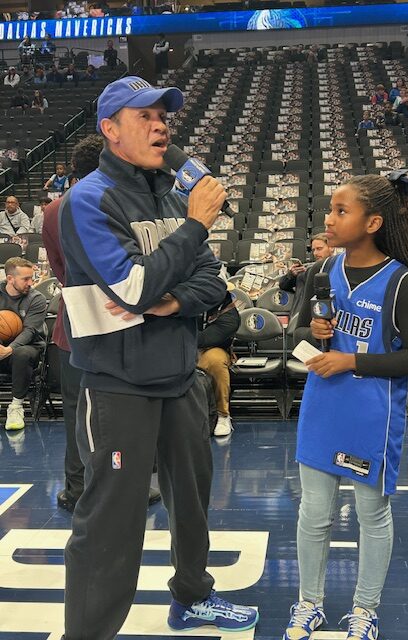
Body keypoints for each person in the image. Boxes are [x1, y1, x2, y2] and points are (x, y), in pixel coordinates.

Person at [57, 76, 259, 639]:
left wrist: (168, 302)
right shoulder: (88, 201)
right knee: (110, 523)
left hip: (179, 373)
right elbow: (131, 288)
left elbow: (211, 281)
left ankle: (193, 597)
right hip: (118, 383)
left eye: (163, 114)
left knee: (192, 500)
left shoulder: (170, 193)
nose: (160, 124)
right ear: (110, 131)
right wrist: (194, 227)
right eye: (143, 115)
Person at [284, 172, 408, 640]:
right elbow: (298, 332)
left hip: (373, 414)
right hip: (322, 407)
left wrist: (351, 358)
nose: (328, 219)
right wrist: (314, 335)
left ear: (373, 222)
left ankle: (365, 609)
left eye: (340, 212)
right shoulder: (321, 272)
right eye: (330, 209)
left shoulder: (401, 281)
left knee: (372, 516)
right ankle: (309, 602)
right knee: (314, 513)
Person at [42, 134, 161, 512]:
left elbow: (61, 272)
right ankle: (130, 489)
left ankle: (76, 489)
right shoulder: (120, 203)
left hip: (74, 323)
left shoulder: (53, 210)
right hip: (124, 322)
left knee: (78, 416)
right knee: (124, 415)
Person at [0, 257, 47, 431]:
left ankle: (16, 407)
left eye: (31, 277)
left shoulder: (37, 299)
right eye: (25, 279)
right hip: (2, 347)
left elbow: (30, 331)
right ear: (10, 279)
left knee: (22, 353)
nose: (31, 282)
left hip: (29, 348)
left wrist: (9, 349)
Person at [197, 284, 240, 437]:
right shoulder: (187, 302)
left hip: (214, 348)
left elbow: (204, 339)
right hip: (184, 347)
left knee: (215, 361)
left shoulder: (230, 314)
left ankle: (223, 415)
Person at [279, 234, 333, 322]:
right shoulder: (305, 269)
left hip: (324, 319)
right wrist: (291, 274)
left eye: (319, 249)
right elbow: (283, 285)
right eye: (313, 250)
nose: (315, 253)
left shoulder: (338, 269)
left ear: (331, 248)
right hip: (299, 318)